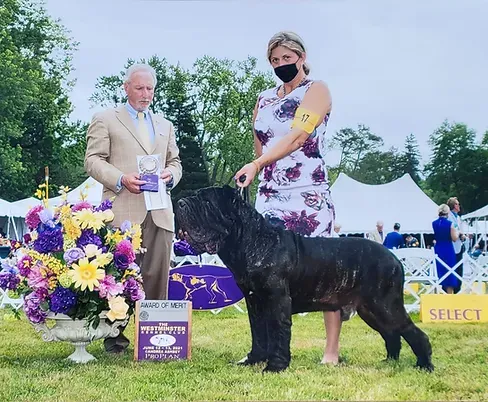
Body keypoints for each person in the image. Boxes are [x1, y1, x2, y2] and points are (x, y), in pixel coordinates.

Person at [235, 31, 341, 365]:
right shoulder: (264, 98)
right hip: (270, 193)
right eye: (275, 60)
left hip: (308, 192)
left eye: (287, 58)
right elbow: (260, 141)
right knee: (265, 271)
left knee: (325, 270)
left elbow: (297, 137)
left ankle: (331, 350)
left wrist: (256, 163)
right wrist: (257, 169)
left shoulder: (317, 90)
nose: (282, 65)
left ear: (302, 56)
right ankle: (267, 347)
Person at [84, 63, 182, 353]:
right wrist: (120, 179)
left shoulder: (165, 125)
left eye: (150, 88)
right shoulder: (105, 119)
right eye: (139, 88)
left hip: (160, 210)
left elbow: (175, 163)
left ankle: (156, 339)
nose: (145, 94)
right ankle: (116, 336)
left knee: (157, 274)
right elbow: (93, 160)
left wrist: (171, 176)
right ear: (126, 87)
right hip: (122, 209)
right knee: (120, 275)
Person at [432, 204, 460, 294]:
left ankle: (436, 292)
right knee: (449, 271)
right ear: (447, 212)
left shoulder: (434, 223)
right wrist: (458, 232)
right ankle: (449, 294)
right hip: (448, 249)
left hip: (438, 248)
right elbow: (454, 238)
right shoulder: (450, 224)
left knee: (438, 270)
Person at [447, 197, 463, 293]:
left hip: (459, 245)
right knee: (452, 269)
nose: (459, 206)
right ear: (454, 206)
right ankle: (451, 290)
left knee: (459, 269)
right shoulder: (449, 217)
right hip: (452, 246)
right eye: (457, 204)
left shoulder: (458, 217)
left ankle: (458, 290)